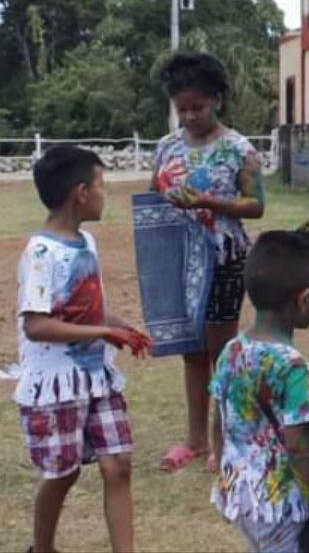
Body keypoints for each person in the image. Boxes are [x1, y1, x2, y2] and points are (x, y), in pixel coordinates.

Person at [16, 146, 152, 553]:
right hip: (55, 384)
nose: (104, 194)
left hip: (96, 378)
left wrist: (119, 327)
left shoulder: (86, 242)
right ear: (80, 192)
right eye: (101, 186)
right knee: (62, 473)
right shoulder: (40, 255)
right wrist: (102, 333)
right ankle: (42, 549)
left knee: (118, 465)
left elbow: (87, 304)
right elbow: (36, 325)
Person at [152, 51, 266, 474]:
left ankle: (225, 439)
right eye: (181, 109)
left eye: (197, 107)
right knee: (191, 353)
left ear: (217, 99)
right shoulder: (166, 147)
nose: (189, 116)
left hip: (224, 260)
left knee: (221, 352)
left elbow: (255, 206)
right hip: (179, 260)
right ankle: (195, 439)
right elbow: (153, 199)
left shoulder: (239, 150)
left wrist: (206, 202)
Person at [210, 231, 309, 553]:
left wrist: (224, 476)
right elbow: (298, 445)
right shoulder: (295, 368)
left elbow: (218, 424)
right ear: (303, 299)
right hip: (279, 503)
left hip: (239, 492)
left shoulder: (231, 350)